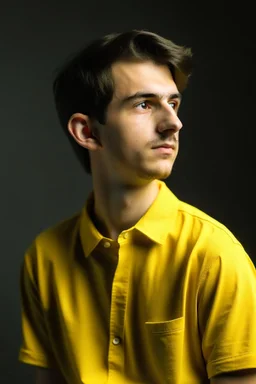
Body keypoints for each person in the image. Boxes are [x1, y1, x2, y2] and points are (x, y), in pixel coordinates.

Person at [18, 29, 256, 384]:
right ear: (87, 132)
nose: (174, 123)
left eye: (173, 103)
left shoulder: (214, 255)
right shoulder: (44, 258)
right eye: (144, 104)